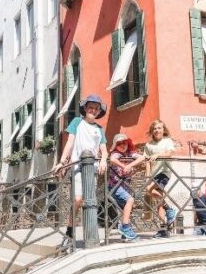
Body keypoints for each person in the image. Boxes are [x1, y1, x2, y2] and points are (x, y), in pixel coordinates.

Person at [53, 95, 108, 247]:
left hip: (93, 169)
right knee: (78, 199)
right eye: (91, 107)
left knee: (91, 201)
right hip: (78, 167)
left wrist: (103, 160)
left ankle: (91, 235)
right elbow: (69, 143)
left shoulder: (99, 129)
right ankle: (70, 232)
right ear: (85, 108)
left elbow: (104, 149)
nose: (93, 110)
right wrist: (62, 162)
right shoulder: (77, 122)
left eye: (96, 108)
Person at [143, 119, 182, 237]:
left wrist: (157, 155)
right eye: (154, 128)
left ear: (163, 130)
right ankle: (163, 229)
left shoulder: (167, 141)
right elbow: (147, 161)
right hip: (154, 173)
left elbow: (169, 153)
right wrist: (148, 175)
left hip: (164, 172)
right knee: (159, 202)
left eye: (159, 128)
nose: (157, 130)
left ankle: (170, 209)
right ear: (152, 130)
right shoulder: (148, 145)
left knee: (149, 190)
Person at [108, 134, 146, 241]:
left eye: (124, 143)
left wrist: (130, 165)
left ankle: (125, 233)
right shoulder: (116, 153)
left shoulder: (130, 153)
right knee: (130, 200)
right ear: (116, 145)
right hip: (114, 186)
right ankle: (125, 227)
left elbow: (142, 157)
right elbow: (112, 159)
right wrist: (124, 166)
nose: (123, 145)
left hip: (124, 185)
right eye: (119, 144)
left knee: (127, 207)